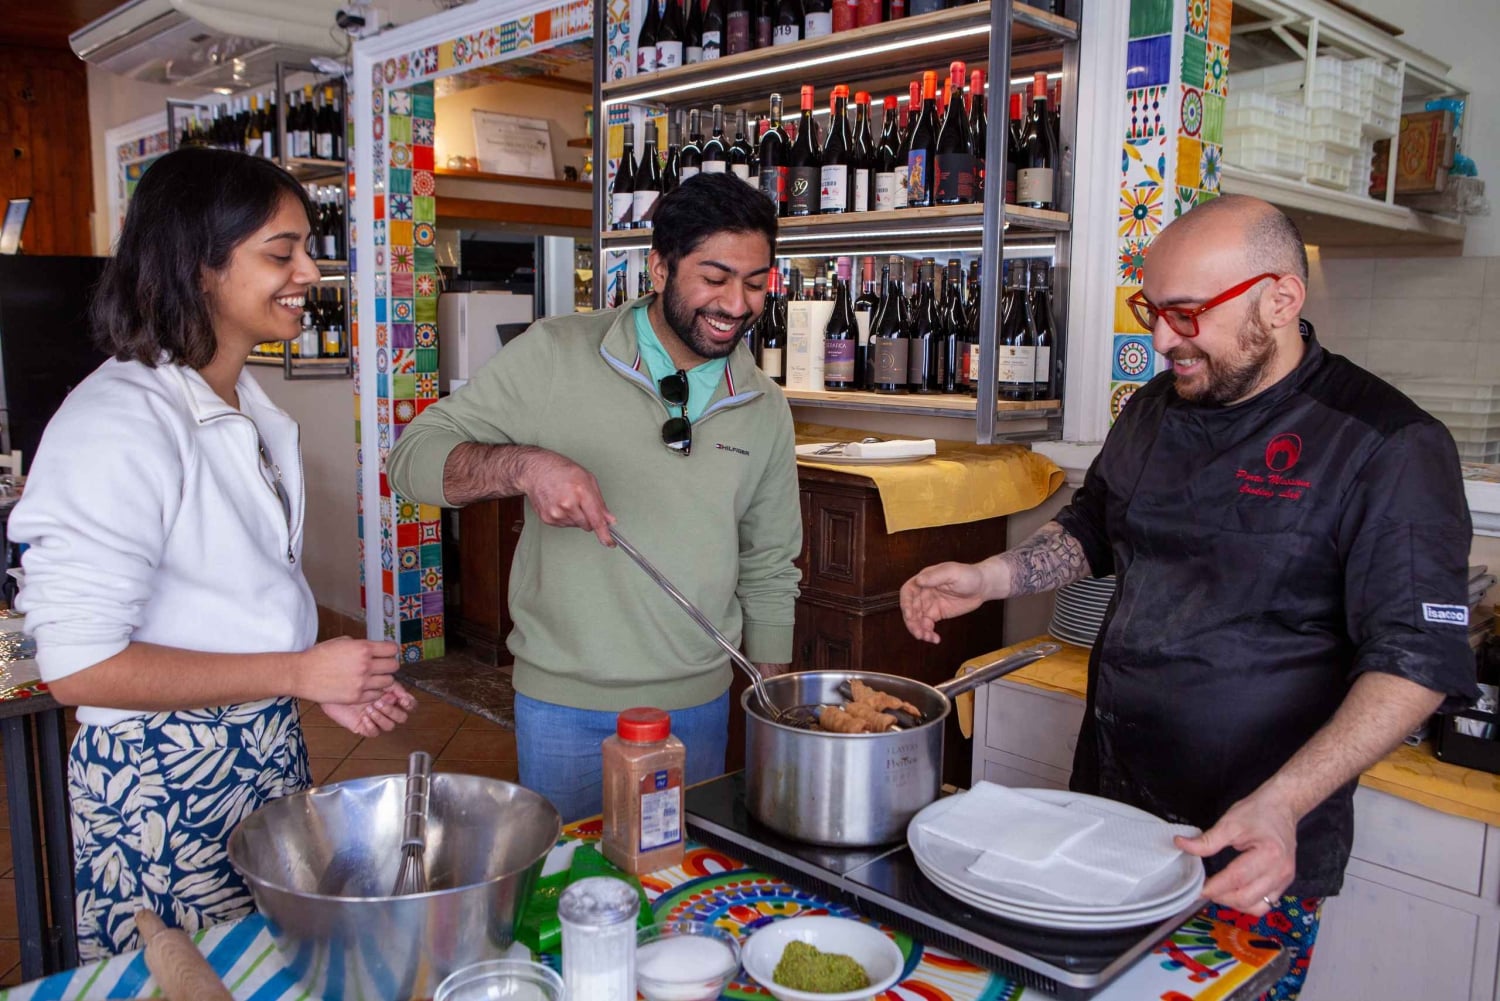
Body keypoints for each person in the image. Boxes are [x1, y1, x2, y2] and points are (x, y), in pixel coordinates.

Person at [900, 195, 1478, 1000]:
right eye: (1151, 310)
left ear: (1280, 299)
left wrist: (1282, 804)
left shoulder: (1388, 444)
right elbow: (1094, 526)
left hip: (1251, 845)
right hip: (1105, 818)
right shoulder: (1157, 408)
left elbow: (1415, 663)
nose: (1161, 339)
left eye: (1185, 313)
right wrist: (988, 578)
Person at [9, 147, 415, 960]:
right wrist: (299, 672)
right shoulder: (119, 420)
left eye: (307, 246)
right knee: (185, 974)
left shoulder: (248, 406)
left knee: (264, 966)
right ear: (198, 266)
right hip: (160, 778)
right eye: (281, 252)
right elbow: (80, 668)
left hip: (259, 751)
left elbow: (223, 598)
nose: (310, 269)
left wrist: (305, 680)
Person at [387, 172, 801, 823]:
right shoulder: (555, 354)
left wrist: (770, 707)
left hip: (698, 705)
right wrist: (523, 465)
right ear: (660, 267)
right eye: (715, 277)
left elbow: (771, 563)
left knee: (678, 891)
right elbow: (411, 462)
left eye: (755, 282)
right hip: (564, 707)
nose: (736, 303)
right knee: (574, 894)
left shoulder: (764, 404)